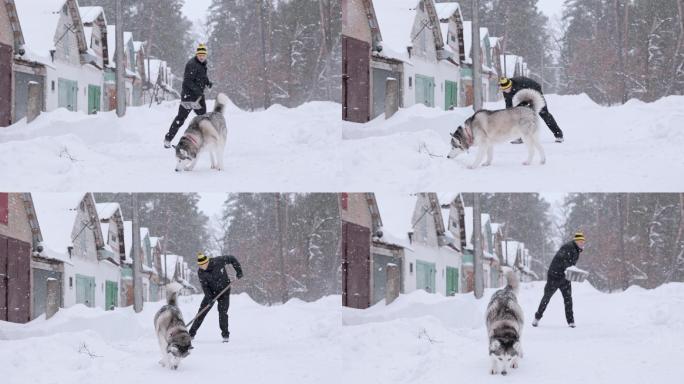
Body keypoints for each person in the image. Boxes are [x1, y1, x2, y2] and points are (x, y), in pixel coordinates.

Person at [164, 43, 213, 148]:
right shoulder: (192, 64)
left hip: (199, 98)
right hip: (189, 98)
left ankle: (203, 141)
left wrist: (208, 83)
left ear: (206, 55)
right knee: (180, 119)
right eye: (200, 55)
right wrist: (198, 91)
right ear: (197, 54)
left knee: (204, 119)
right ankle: (168, 139)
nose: (202, 57)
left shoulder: (203, 64)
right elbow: (187, 81)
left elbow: (202, 77)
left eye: (203, 55)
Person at [532, 232, 585, 328]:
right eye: (580, 241)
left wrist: (573, 272)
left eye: (583, 241)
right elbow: (563, 260)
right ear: (575, 241)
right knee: (547, 297)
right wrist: (570, 269)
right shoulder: (568, 247)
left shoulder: (577, 250)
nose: (582, 243)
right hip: (554, 276)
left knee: (568, 299)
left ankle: (571, 322)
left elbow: (571, 265)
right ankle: (537, 318)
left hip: (565, 277)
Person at [189, 252, 243, 342]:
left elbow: (232, 258)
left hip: (224, 291)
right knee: (202, 312)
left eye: (204, 264)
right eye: (200, 265)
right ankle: (191, 334)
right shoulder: (201, 272)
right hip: (211, 293)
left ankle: (225, 335)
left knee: (222, 313)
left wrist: (239, 271)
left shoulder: (218, 261)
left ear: (207, 261)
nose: (203, 267)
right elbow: (205, 286)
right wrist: (209, 298)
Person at [499, 76, 564, 143]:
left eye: (507, 88)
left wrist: (530, 104)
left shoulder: (520, 84)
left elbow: (537, 87)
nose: (506, 90)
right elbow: (508, 103)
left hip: (535, 93)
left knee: (544, 114)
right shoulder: (505, 91)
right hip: (522, 98)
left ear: (511, 85)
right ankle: (520, 137)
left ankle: (558, 134)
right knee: (518, 116)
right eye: (504, 89)